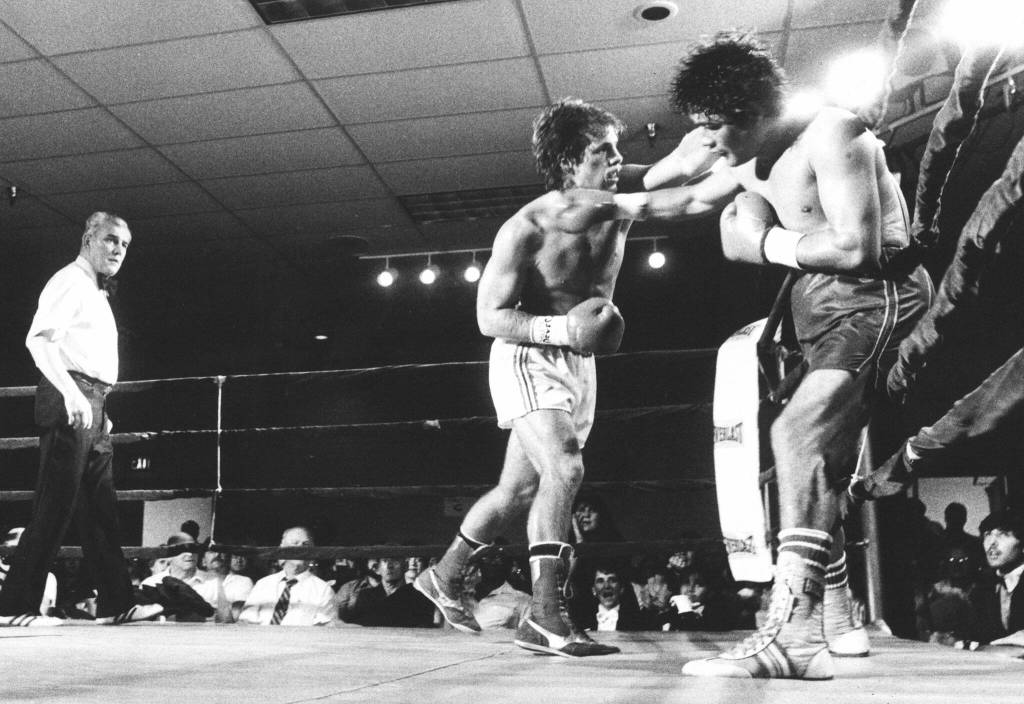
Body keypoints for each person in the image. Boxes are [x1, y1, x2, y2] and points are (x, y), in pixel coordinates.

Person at [566, 32, 933, 678]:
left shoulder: (834, 133)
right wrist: (580, 200)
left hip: (880, 294)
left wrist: (763, 245)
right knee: (825, 458)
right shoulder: (738, 159)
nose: (706, 141)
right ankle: (838, 612)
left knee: (798, 434)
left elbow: (859, 248)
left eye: (713, 127)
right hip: (814, 304)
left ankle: (791, 632)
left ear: (754, 113)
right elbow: (668, 198)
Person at [413, 97, 633, 657]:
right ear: (568, 163)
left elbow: (684, 183)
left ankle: (444, 574)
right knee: (565, 466)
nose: (616, 159)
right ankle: (546, 615)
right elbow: (490, 317)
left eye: (616, 147)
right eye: (601, 151)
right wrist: (562, 329)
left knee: (518, 489)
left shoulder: (622, 201)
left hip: (577, 362)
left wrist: (727, 154)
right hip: (529, 349)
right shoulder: (528, 225)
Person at [0, 212, 162, 627]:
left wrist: (100, 410)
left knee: (100, 509)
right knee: (55, 504)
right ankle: (14, 606)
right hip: (71, 395)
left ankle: (116, 603)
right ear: (89, 238)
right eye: (110, 240)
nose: (117, 250)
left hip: (92, 403)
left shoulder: (95, 290)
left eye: (124, 245)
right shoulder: (69, 281)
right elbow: (38, 339)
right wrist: (74, 394)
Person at [236, 526, 336, 626]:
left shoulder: (323, 590)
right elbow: (245, 621)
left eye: (305, 545)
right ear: (282, 549)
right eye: (295, 543)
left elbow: (324, 630)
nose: (300, 548)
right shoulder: (263, 584)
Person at [142, 532, 229, 622]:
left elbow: (226, 621)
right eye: (183, 550)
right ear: (169, 556)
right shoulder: (150, 583)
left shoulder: (214, 582)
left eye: (193, 549)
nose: (190, 554)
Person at [337, 555, 435, 628]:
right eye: (385, 561)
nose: (389, 566)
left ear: (405, 566)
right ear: (377, 569)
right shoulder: (365, 596)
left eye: (395, 561)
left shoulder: (419, 598)